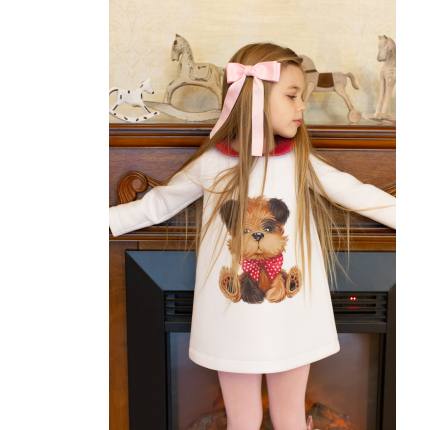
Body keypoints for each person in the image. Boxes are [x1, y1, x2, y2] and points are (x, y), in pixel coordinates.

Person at [109, 42, 396, 430]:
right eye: (292, 96)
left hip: (291, 320)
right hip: (232, 324)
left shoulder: (299, 161)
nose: (302, 107)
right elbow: (159, 204)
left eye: (303, 97)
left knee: (290, 419)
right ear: (255, 98)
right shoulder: (213, 164)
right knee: (242, 420)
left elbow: (356, 193)